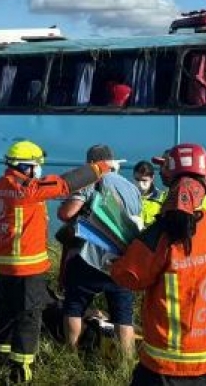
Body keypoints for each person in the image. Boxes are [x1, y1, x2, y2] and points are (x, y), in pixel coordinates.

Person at [0, 140, 120, 382]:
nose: (39, 170)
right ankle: (21, 371)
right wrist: (100, 168)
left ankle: (0, 361)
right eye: (37, 166)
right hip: (29, 268)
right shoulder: (27, 188)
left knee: (5, 313)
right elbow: (64, 183)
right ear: (26, 167)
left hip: (4, 267)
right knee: (28, 318)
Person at [111, 143, 206, 386]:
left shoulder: (160, 235)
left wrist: (114, 261)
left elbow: (128, 277)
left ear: (168, 180)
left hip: (168, 366)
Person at [56, 144, 140, 359]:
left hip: (92, 257)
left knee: (73, 306)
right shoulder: (132, 188)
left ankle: (71, 355)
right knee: (123, 316)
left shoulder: (91, 181)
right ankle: (126, 364)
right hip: (122, 258)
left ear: (91, 165)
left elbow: (67, 213)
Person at [135, 160, 206, 227]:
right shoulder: (169, 198)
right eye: (161, 167)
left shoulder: (169, 199)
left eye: (166, 167)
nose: (161, 172)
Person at [133, 161, 167, 228]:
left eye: (144, 180)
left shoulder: (163, 199)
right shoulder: (128, 196)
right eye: (137, 179)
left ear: (152, 178)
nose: (140, 184)